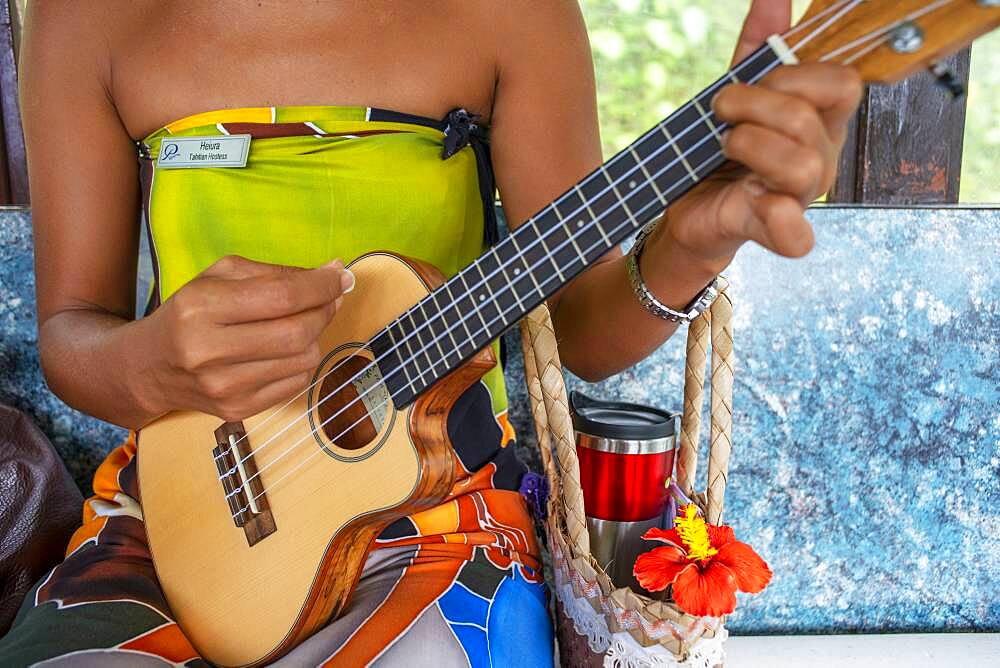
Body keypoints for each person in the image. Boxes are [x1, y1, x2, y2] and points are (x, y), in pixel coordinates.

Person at [1, 0, 861, 665]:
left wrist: (689, 241)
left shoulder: (514, 14)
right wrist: (149, 366)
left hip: (443, 511)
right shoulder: (86, 18)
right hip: (182, 510)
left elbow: (581, 336)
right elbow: (72, 336)